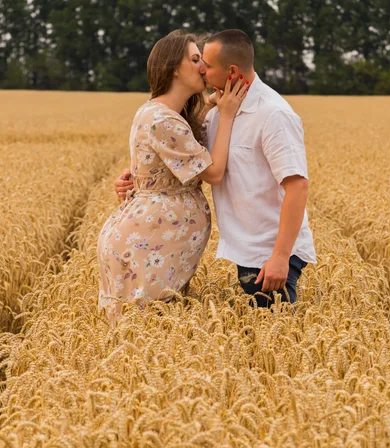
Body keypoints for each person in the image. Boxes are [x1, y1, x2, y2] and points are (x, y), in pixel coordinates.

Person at [116, 30, 316, 308]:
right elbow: (178, 150)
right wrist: (139, 180)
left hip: (270, 253)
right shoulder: (218, 115)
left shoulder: (273, 115)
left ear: (231, 71)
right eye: (197, 61)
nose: (202, 70)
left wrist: (281, 256)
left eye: (206, 65)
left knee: (276, 335)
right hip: (248, 252)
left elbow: (298, 187)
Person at [97, 30, 248, 325]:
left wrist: (212, 104)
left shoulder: (160, 112)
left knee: (143, 334)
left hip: (149, 241)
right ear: (173, 68)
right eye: (195, 59)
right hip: (146, 244)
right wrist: (227, 114)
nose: (203, 67)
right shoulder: (164, 120)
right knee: (141, 335)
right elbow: (214, 172)